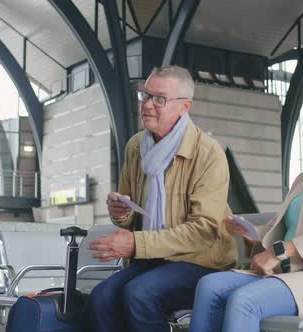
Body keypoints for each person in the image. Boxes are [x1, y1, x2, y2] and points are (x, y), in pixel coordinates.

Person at [189, 92, 303, 332]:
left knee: (244, 301)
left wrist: (278, 252)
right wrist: (253, 237)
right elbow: (284, 229)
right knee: (209, 286)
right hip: (288, 274)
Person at [87, 65, 237, 332]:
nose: (147, 105)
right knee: (101, 297)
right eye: (145, 95)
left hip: (201, 261)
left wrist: (135, 243)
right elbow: (131, 219)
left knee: (138, 294)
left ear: (184, 106)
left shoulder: (208, 153)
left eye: (159, 99)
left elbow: (204, 231)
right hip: (153, 258)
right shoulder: (136, 146)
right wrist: (121, 212)